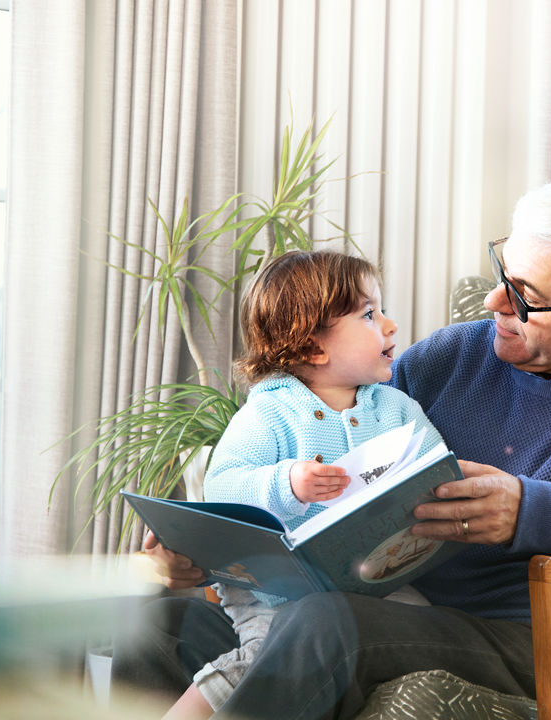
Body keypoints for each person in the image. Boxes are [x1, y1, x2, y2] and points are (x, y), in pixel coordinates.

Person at [113, 175, 551, 720]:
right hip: (399, 609)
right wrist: (213, 546)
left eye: (524, 298)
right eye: (502, 273)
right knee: (157, 624)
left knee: (322, 626)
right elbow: (325, 427)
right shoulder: (457, 355)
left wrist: (531, 509)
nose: (492, 303)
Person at [143, 250, 444, 719]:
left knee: (429, 632)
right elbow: (223, 488)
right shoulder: (269, 413)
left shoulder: (397, 409)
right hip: (273, 589)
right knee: (266, 660)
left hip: (375, 580)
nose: (390, 326)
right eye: (369, 314)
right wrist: (287, 482)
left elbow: (434, 472)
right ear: (311, 347)